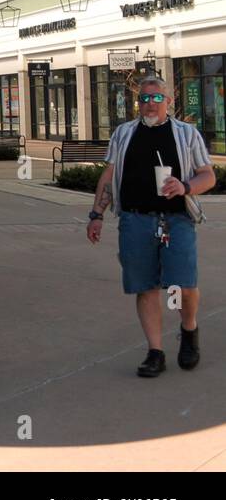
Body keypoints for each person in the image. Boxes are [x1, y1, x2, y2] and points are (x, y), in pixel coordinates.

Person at [86, 75, 214, 377]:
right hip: (135, 220)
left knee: (183, 285)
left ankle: (189, 329)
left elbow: (207, 176)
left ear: (168, 101)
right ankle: (155, 351)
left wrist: (184, 186)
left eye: (157, 98)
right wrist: (96, 215)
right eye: (144, 98)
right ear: (138, 103)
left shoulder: (186, 134)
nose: (150, 104)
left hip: (176, 219)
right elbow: (109, 177)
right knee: (145, 288)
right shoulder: (124, 134)